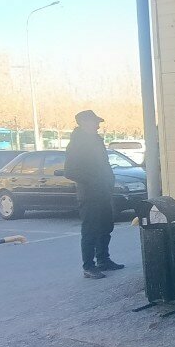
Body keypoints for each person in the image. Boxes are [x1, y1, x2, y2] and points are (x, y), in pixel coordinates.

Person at [64, 110, 124, 279]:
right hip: (89, 194)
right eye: (95, 122)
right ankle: (88, 266)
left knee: (106, 226)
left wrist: (109, 181)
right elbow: (70, 171)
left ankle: (103, 259)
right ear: (84, 123)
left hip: (103, 191)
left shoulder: (96, 141)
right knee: (90, 229)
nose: (98, 126)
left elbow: (104, 164)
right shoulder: (76, 144)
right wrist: (95, 181)